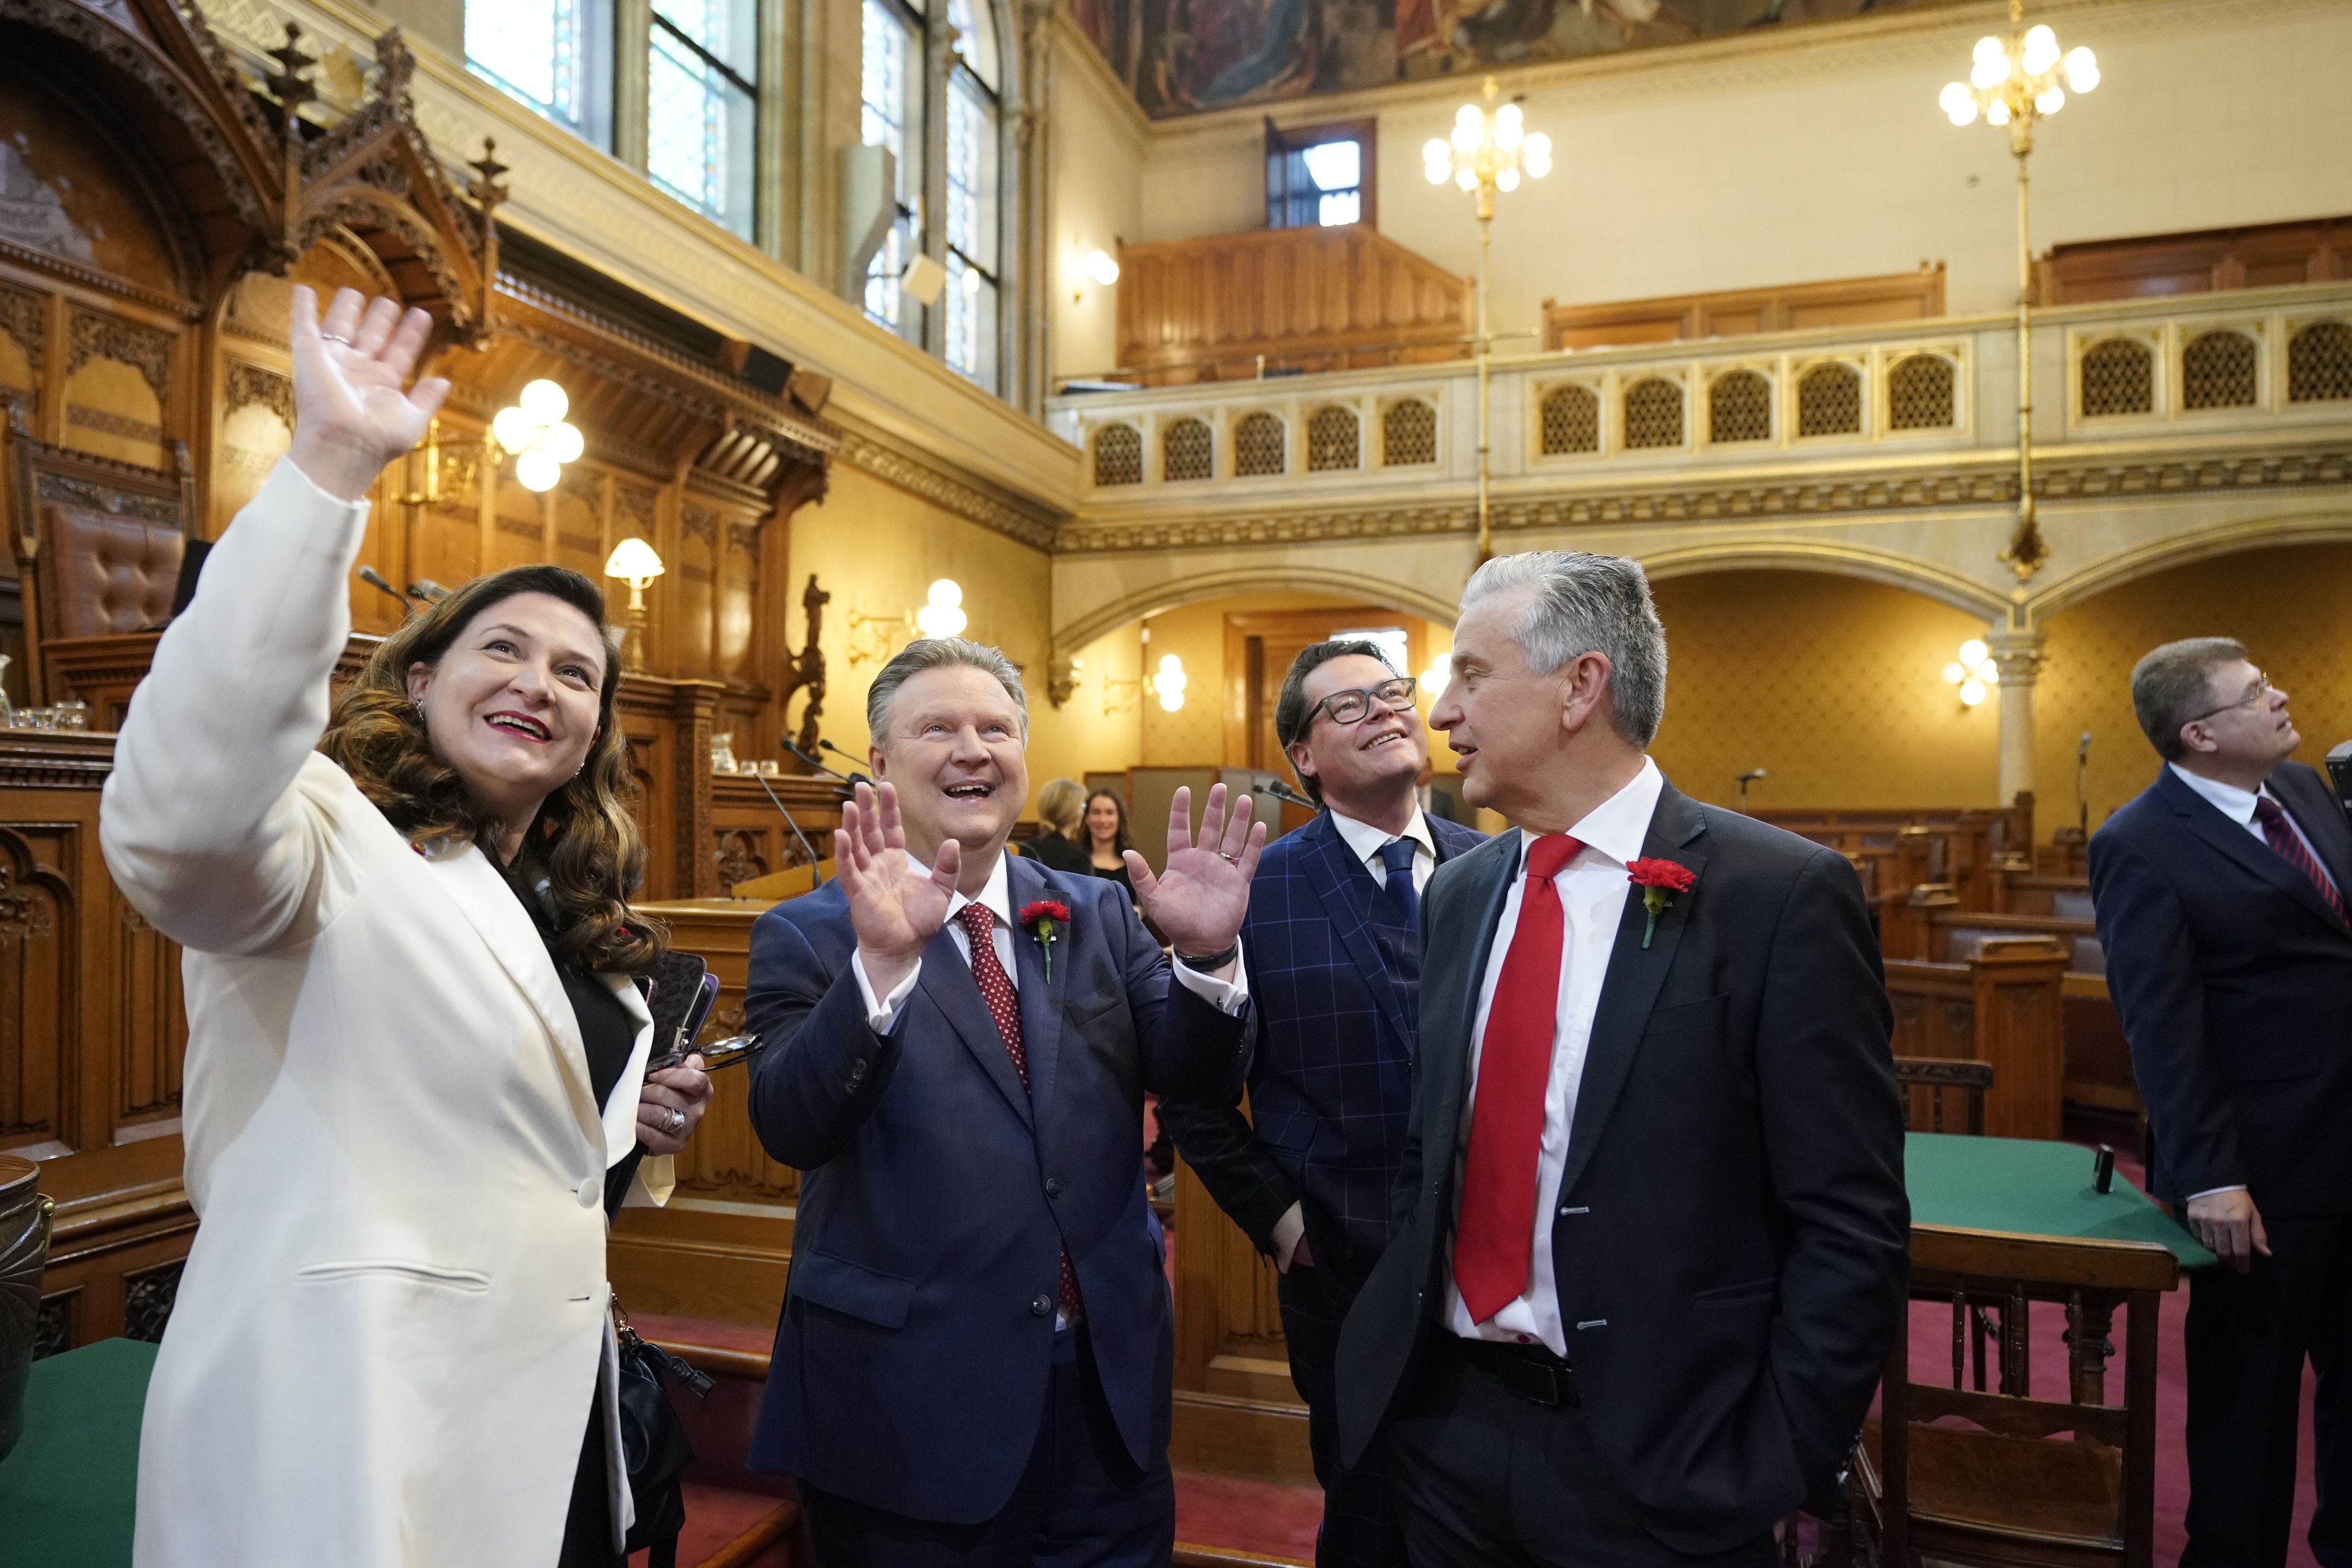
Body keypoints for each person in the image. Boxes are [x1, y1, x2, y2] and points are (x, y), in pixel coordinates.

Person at [101, 286, 714, 1568]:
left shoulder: (577, 910)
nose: (539, 682)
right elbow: (181, 815)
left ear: (595, 729)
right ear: (422, 676)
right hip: (352, 1421)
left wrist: (632, 1131)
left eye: (576, 673)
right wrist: (326, 472)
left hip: (546, 1429)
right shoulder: (315, 837)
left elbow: (537, 1150)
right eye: (505, 648)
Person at [1334, 550, 1906, 1566]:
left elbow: (1848, 1218)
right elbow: (1439, 1153)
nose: (1437, 710)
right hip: (1446, 1435)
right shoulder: (1461, 894)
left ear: (1579, 686)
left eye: (1470, 674)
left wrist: (1775, 1457)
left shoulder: (1776, 895)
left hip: (1665, 1458)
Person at [740, 637, 1265, 1568]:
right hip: (910, 1403)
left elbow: (1194, 1077)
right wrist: (881, 968)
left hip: (1105, 1398)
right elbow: (791, 1123)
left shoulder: (1097, 912)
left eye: (994, 728)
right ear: (880, 762)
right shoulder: (809, 932)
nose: (971, 748)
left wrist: (1208, 962)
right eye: (936, 727)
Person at [1158, 640, 1485, 1568]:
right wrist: (1285, 1219)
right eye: (1349, 707)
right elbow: (1189, 1096)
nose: (1385, 710)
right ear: (1302, 755)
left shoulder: (1494, 866)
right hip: (1351, 1278)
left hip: (1502, 1278)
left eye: (1393, 693)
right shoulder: (1256, 887)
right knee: (1375, 1525)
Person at [2088, 638, 2352, 1568]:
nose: (2282, 696)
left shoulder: (2312, 794)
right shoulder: (2137, 842)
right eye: (2256, 693)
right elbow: (2162, 1023)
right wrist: (2210, 1176)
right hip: (2262, 1178)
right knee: (2250, 1414)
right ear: (2200, 733)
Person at [1084, 787, 1142, 908]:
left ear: (1119, 818)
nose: (1103, 820)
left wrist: (1141, 911)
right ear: (1086, 818)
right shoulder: (1077, 864)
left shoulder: (1133, 864)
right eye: (1096, 813)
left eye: (1110, 813)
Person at [1027, 777, 1093, 874]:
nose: (1084, 812)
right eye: (1083, 806)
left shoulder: (1027, 849)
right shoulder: (1077, 858)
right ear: (1071, 810)